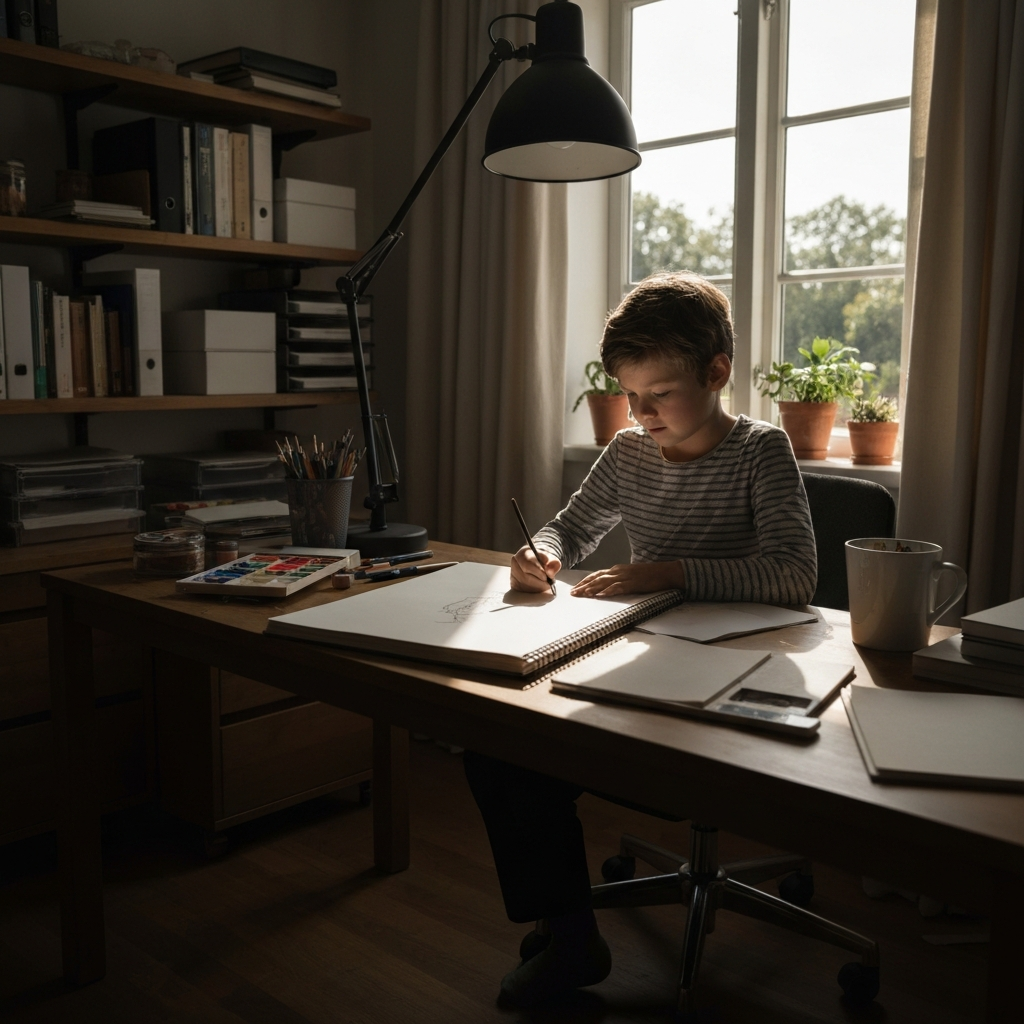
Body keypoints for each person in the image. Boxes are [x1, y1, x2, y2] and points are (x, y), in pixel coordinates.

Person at [463, 271, 818, 1008]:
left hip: (738, 681)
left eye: (659, 394)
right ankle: (568, 929)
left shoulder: (762, 450)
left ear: (717, 373)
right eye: (629, 394)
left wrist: (666, 573)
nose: (641, 412)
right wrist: (544, 554)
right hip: (640, 668)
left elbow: (793, 576)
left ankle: (561, 927)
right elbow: (570, 524)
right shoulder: (627, 453)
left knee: (535, 756)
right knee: (497, 743)